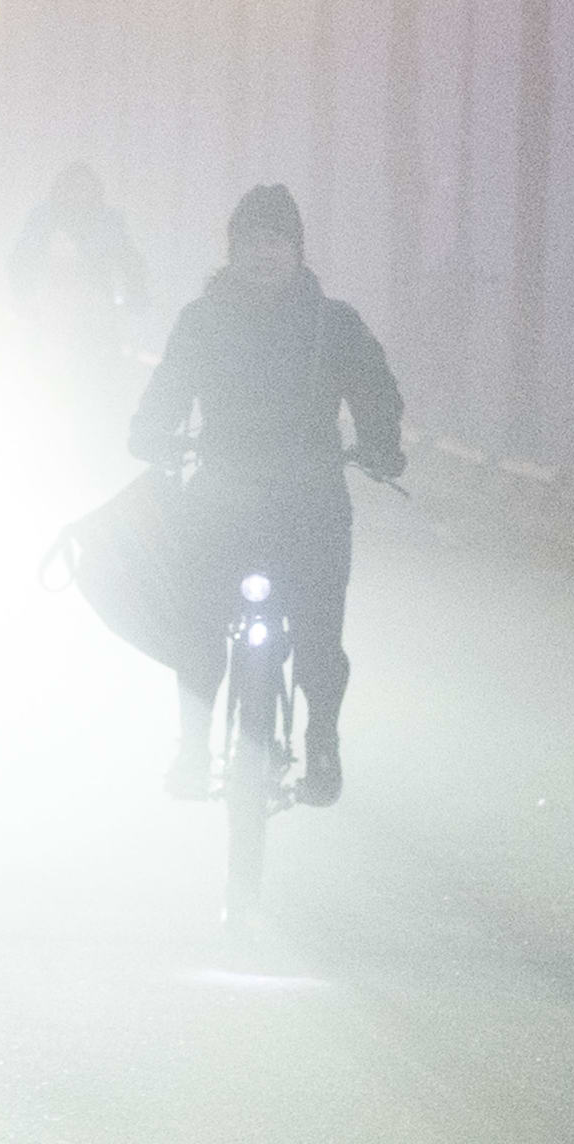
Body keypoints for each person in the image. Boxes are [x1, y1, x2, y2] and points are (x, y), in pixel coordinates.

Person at [128, 183, 401, 806]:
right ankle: (192, 749)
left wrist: (382, 443)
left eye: (276, 240)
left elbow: (376, 391)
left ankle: (323, 743)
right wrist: (151, 434)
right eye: (252, 241)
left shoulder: (337, 326)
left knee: (318, 637)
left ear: (297, 249)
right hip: (225, 502)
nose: (264, 253)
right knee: (197, 629)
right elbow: (167, 393)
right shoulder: (201, 323)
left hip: (310, 506)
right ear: (233, 251)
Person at [9, 162, 148, 421]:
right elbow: (21, 259)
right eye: (72, 190)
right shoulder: (43, 220)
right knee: (44, 374)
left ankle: (96, 421)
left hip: (95, 317)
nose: (78, 196)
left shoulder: (109, 222)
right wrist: (24, 297)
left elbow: (130, 261)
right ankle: (41, 415)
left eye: (84, 190)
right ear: (60, 192)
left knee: (98, 379)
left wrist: (136, 299)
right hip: (51, 314)